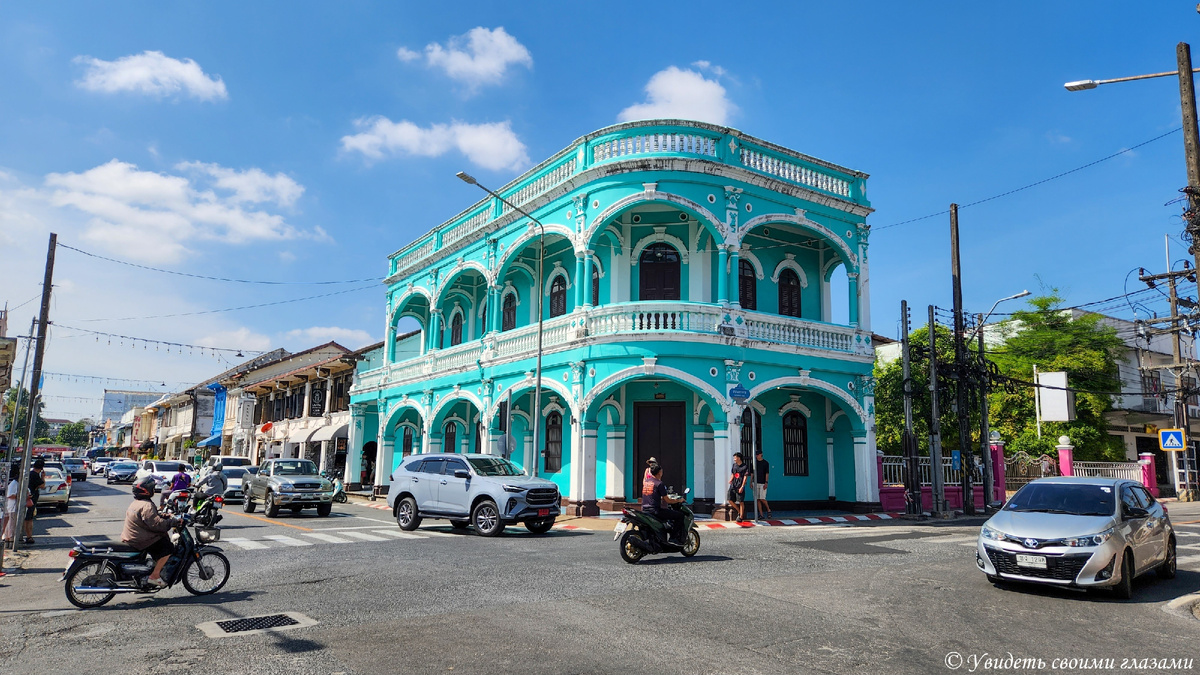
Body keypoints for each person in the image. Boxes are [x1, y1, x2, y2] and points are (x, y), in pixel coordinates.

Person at [122, 477, 182, 588]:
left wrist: (164, 515)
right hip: (140, 539)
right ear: (147, 490)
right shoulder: (146, 505)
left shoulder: (138, 503)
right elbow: (157, 524)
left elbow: (150, 517)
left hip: (134, 536)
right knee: (167, 549)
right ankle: (154, 576)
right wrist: (173, 521)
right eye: (152, 488)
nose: (154, 490)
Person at [641, 463, 685, 544]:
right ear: (659, 473)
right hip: (655, 511)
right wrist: (679, 500)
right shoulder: (659, 483)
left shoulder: (646, 482)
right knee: (680, 516)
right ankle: (673, 538)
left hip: (644, 510)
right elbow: (668, 500)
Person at [24, 458, 45, 545]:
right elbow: (43, 485)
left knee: (28, 518)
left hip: (30, 499)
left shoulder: (30, 474)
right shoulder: (35, 476)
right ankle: (29, 536)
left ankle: (28, 536)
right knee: (28, 519)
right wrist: (43, 477)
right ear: (41, 468)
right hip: (30, 500)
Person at [729, 453, 749, 522]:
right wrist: (731, 479)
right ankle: (738, 511)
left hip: (740, 485)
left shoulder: (745, 466)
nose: (734, 459)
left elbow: (745, 477)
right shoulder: (734, 465)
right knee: (730, 499)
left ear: (739, 458)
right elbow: (733, 474)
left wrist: (742, 486)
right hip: (733, 485)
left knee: (741, 501)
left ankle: (741, 516)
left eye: (735, 457)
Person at [752, 449, 772, 519]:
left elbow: (767, 473)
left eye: (758, 454)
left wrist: (766, 482)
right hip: (755, 482)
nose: (757, 456)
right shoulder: (754, 463)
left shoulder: (765, 463)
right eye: (756, 455)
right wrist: (751, 482)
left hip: (762, 482)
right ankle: (761, 514)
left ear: (761, 454)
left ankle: (768, 509)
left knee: (762, 498)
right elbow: (752, 473)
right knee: (757, 499)